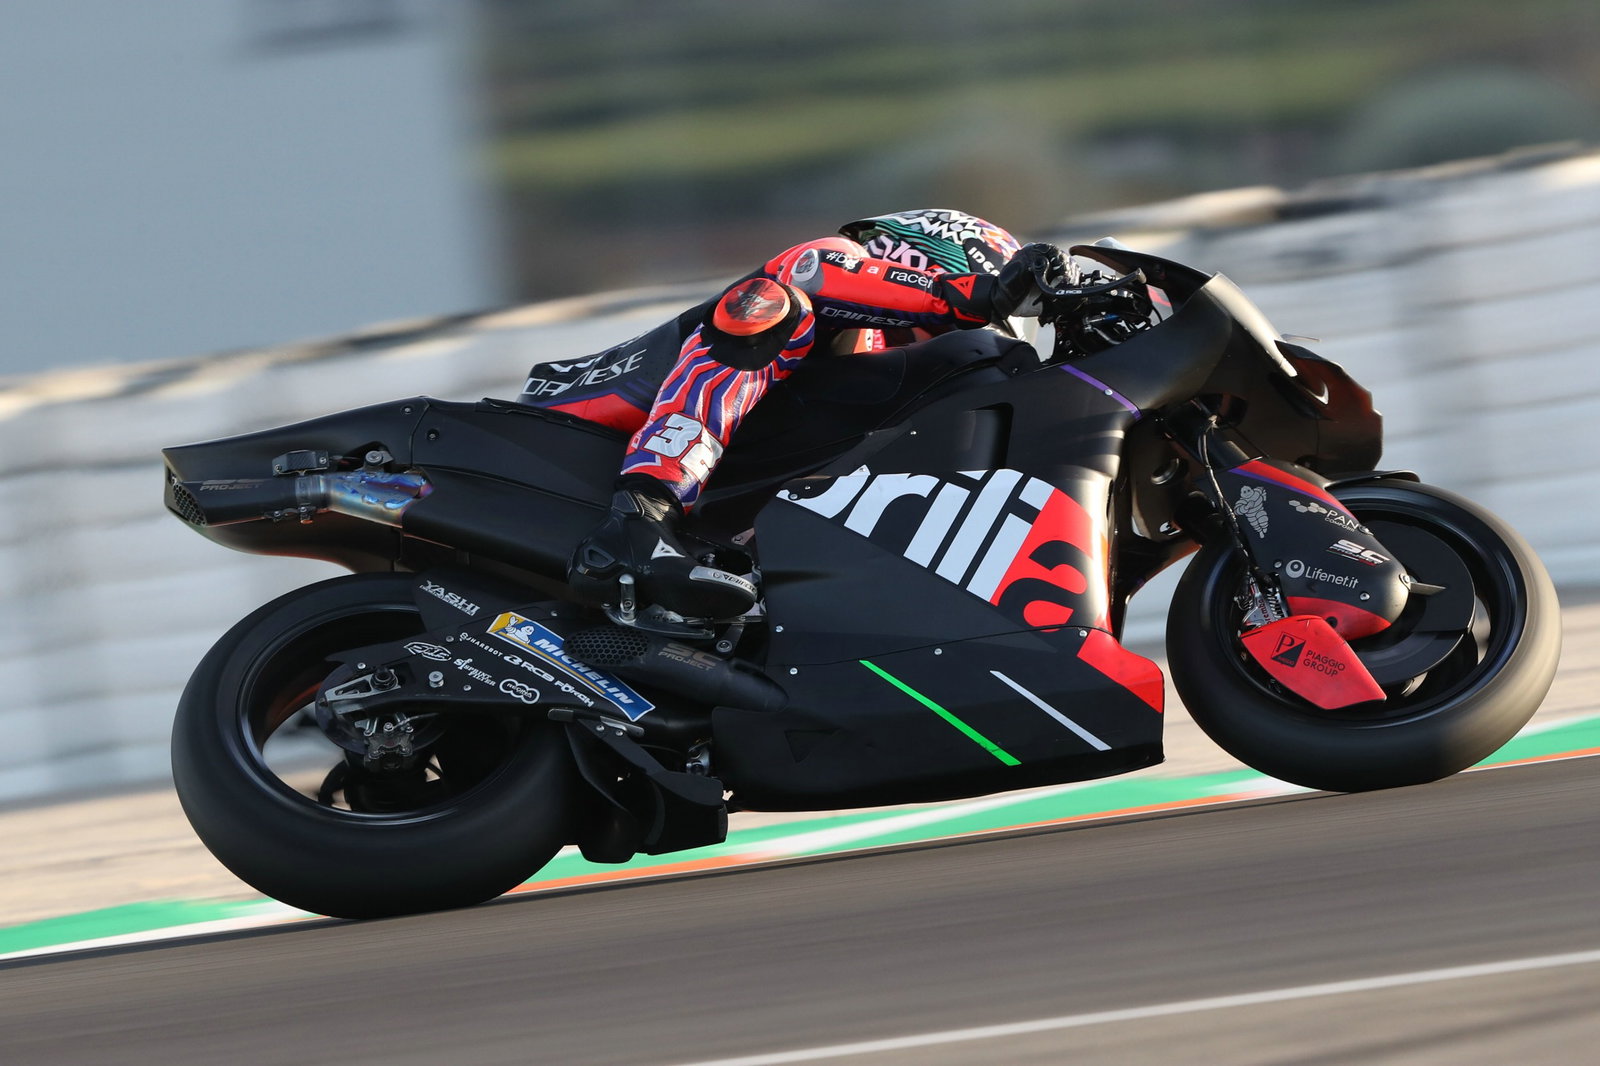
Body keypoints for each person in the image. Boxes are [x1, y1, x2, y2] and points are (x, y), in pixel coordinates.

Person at [519, 209, 1067, 620]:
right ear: (927, 261)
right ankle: (643, 513)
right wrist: (981, 295)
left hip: (718, 479)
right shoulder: (832, 269)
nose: (963, 336)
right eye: (966, 323)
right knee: (772, 304)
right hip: (564, 429)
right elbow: (813, 271)